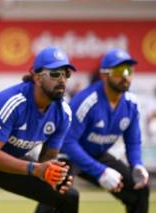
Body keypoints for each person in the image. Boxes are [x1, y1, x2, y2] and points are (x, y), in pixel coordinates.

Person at [0, 46, 79, 213]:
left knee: (67, 195)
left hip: (5, 159)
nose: (62, 79)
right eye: (55, 74)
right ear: (37, 77)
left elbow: (45, 161)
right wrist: (34, 169)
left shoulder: (64, 113)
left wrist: (52, 174)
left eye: (66, 74)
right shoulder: (12, 102)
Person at [61, 48, 150, 213]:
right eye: (119, 71)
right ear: (104, 75)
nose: (125, 76)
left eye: (128, 70)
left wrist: (137, 164)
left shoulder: (131, 104)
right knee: (61, 193)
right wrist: (100, 171)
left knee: (139, 190)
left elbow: (133, 141)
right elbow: (68, 142)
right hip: (68, 155)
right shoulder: (87, 101)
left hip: (97, 155)